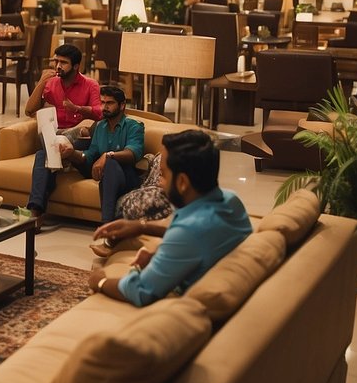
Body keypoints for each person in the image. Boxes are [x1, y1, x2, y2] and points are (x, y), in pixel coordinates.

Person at [87, 129, 252, 307]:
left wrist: (100, 281)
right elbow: (194, 232)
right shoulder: (231, 201)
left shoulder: (187, 234)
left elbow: (141, 290)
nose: (159, 183)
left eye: (163, 175)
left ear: (182, 183)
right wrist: (141, 226)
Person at [35, 85, 144, 224]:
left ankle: (107, 224)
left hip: (124, 174)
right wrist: (72, 153)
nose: (104, 107)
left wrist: (108, 155)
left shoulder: (134, 126)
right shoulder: (100, 126)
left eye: (109, 103)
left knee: (110, 164)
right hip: (100, 170)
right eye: (103, 102)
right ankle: (35, 211)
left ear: (122, 105)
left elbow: (133, 153)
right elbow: (91, 154)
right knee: (43, 154)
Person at [23, 43, 102, 225]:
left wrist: (78, 109)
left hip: (77, 138)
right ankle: (58, 160)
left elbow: (100, 112)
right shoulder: (51, 84)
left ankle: (35, 212)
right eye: (56, 61)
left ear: (76, 66)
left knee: (44, 154)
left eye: (63, 62)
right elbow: (29, 110)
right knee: (49, 140)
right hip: (55, 134)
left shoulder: (90, 85)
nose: (58, 66)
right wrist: (42, 82)